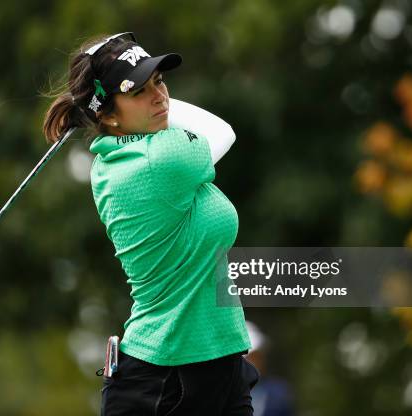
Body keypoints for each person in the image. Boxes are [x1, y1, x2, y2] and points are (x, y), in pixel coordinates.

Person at [43, 32, 258, 415]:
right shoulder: (161, 159)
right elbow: (223, 131)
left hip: (218, 363)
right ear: (108, 114)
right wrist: (115, 104)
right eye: (139, 90)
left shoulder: (113, 159)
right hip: (168, 380)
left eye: (159, 81)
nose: (160, 96)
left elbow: (181, 121)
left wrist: (126, 103)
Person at [244, 322, 295, 416]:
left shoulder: (279, 392)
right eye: (250, 357)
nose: (255, 362)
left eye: (258, 356)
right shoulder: (225, 394)